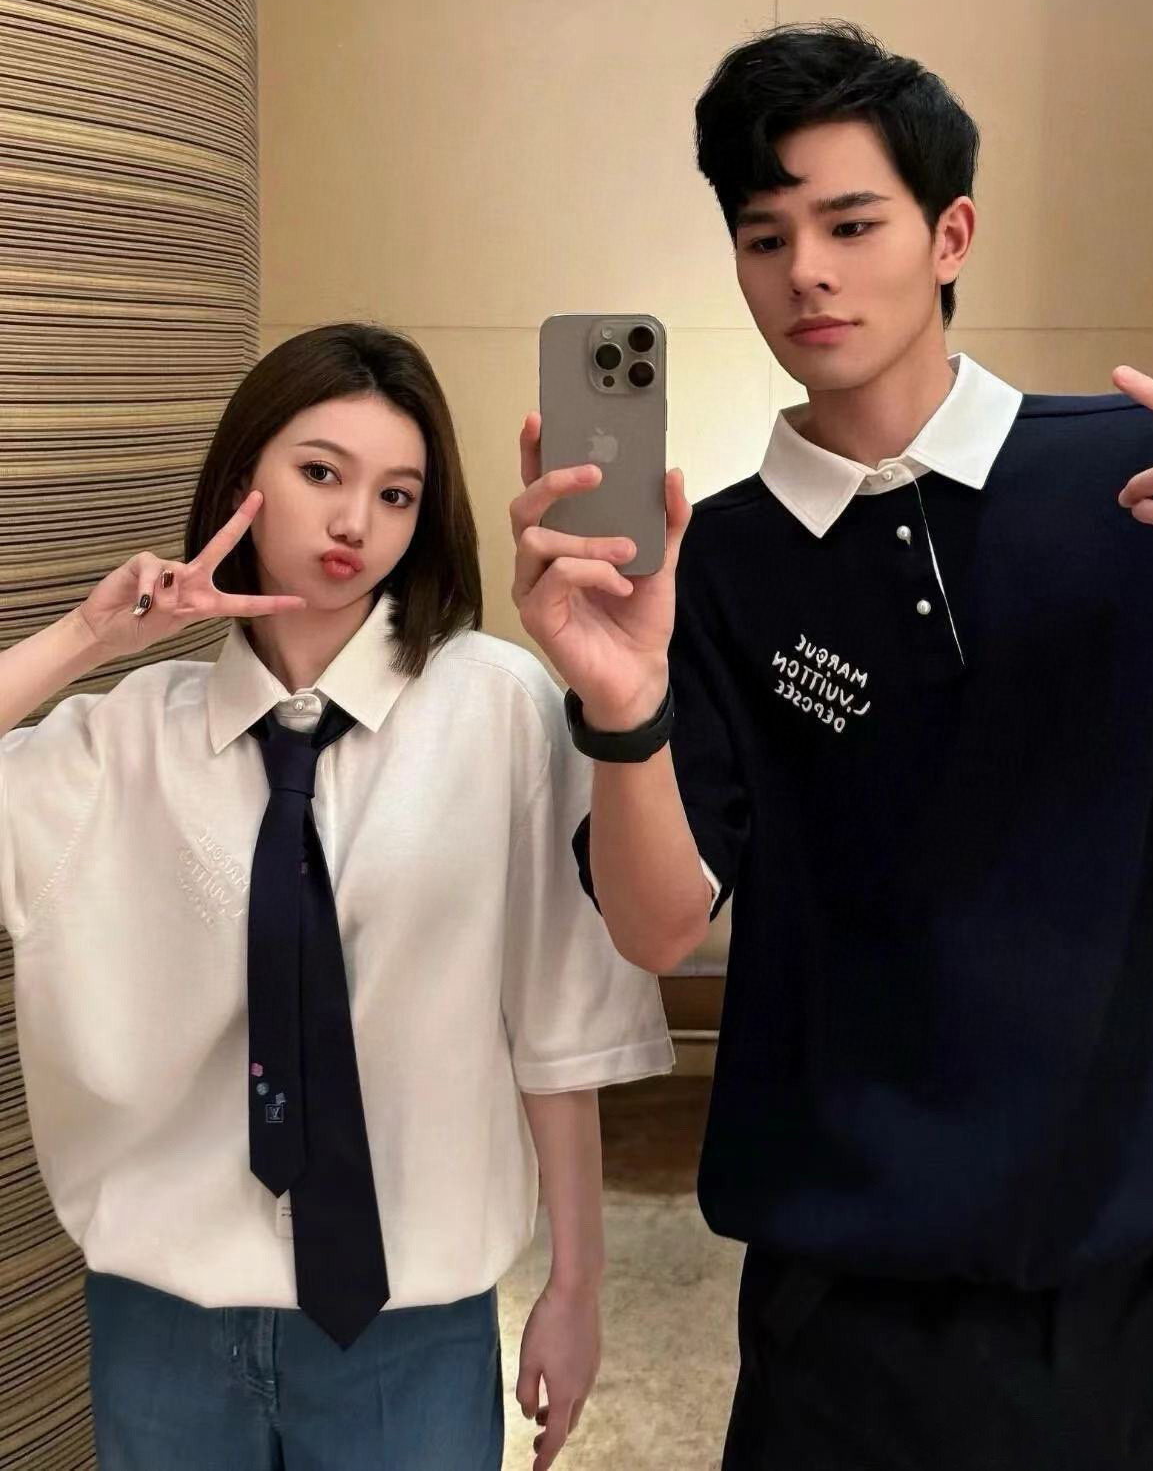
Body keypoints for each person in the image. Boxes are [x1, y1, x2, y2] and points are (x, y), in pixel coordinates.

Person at [509, 22, 1153, 1469]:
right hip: (853, 1309)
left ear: (950, 234)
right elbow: (659, 923)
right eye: (765, 236)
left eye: (851, 222)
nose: (805, 269)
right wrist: (620, 701)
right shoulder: (713, 561)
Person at [0, 321, 673, 1471]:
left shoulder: (497, 706)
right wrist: (87, 635)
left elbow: (553, 1020)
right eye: (321, 471)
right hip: (163, 1318)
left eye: (397, 493)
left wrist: (577, 1282)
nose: (356, 521)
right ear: (244, 477)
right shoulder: (123, 741)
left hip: (409, 1325)